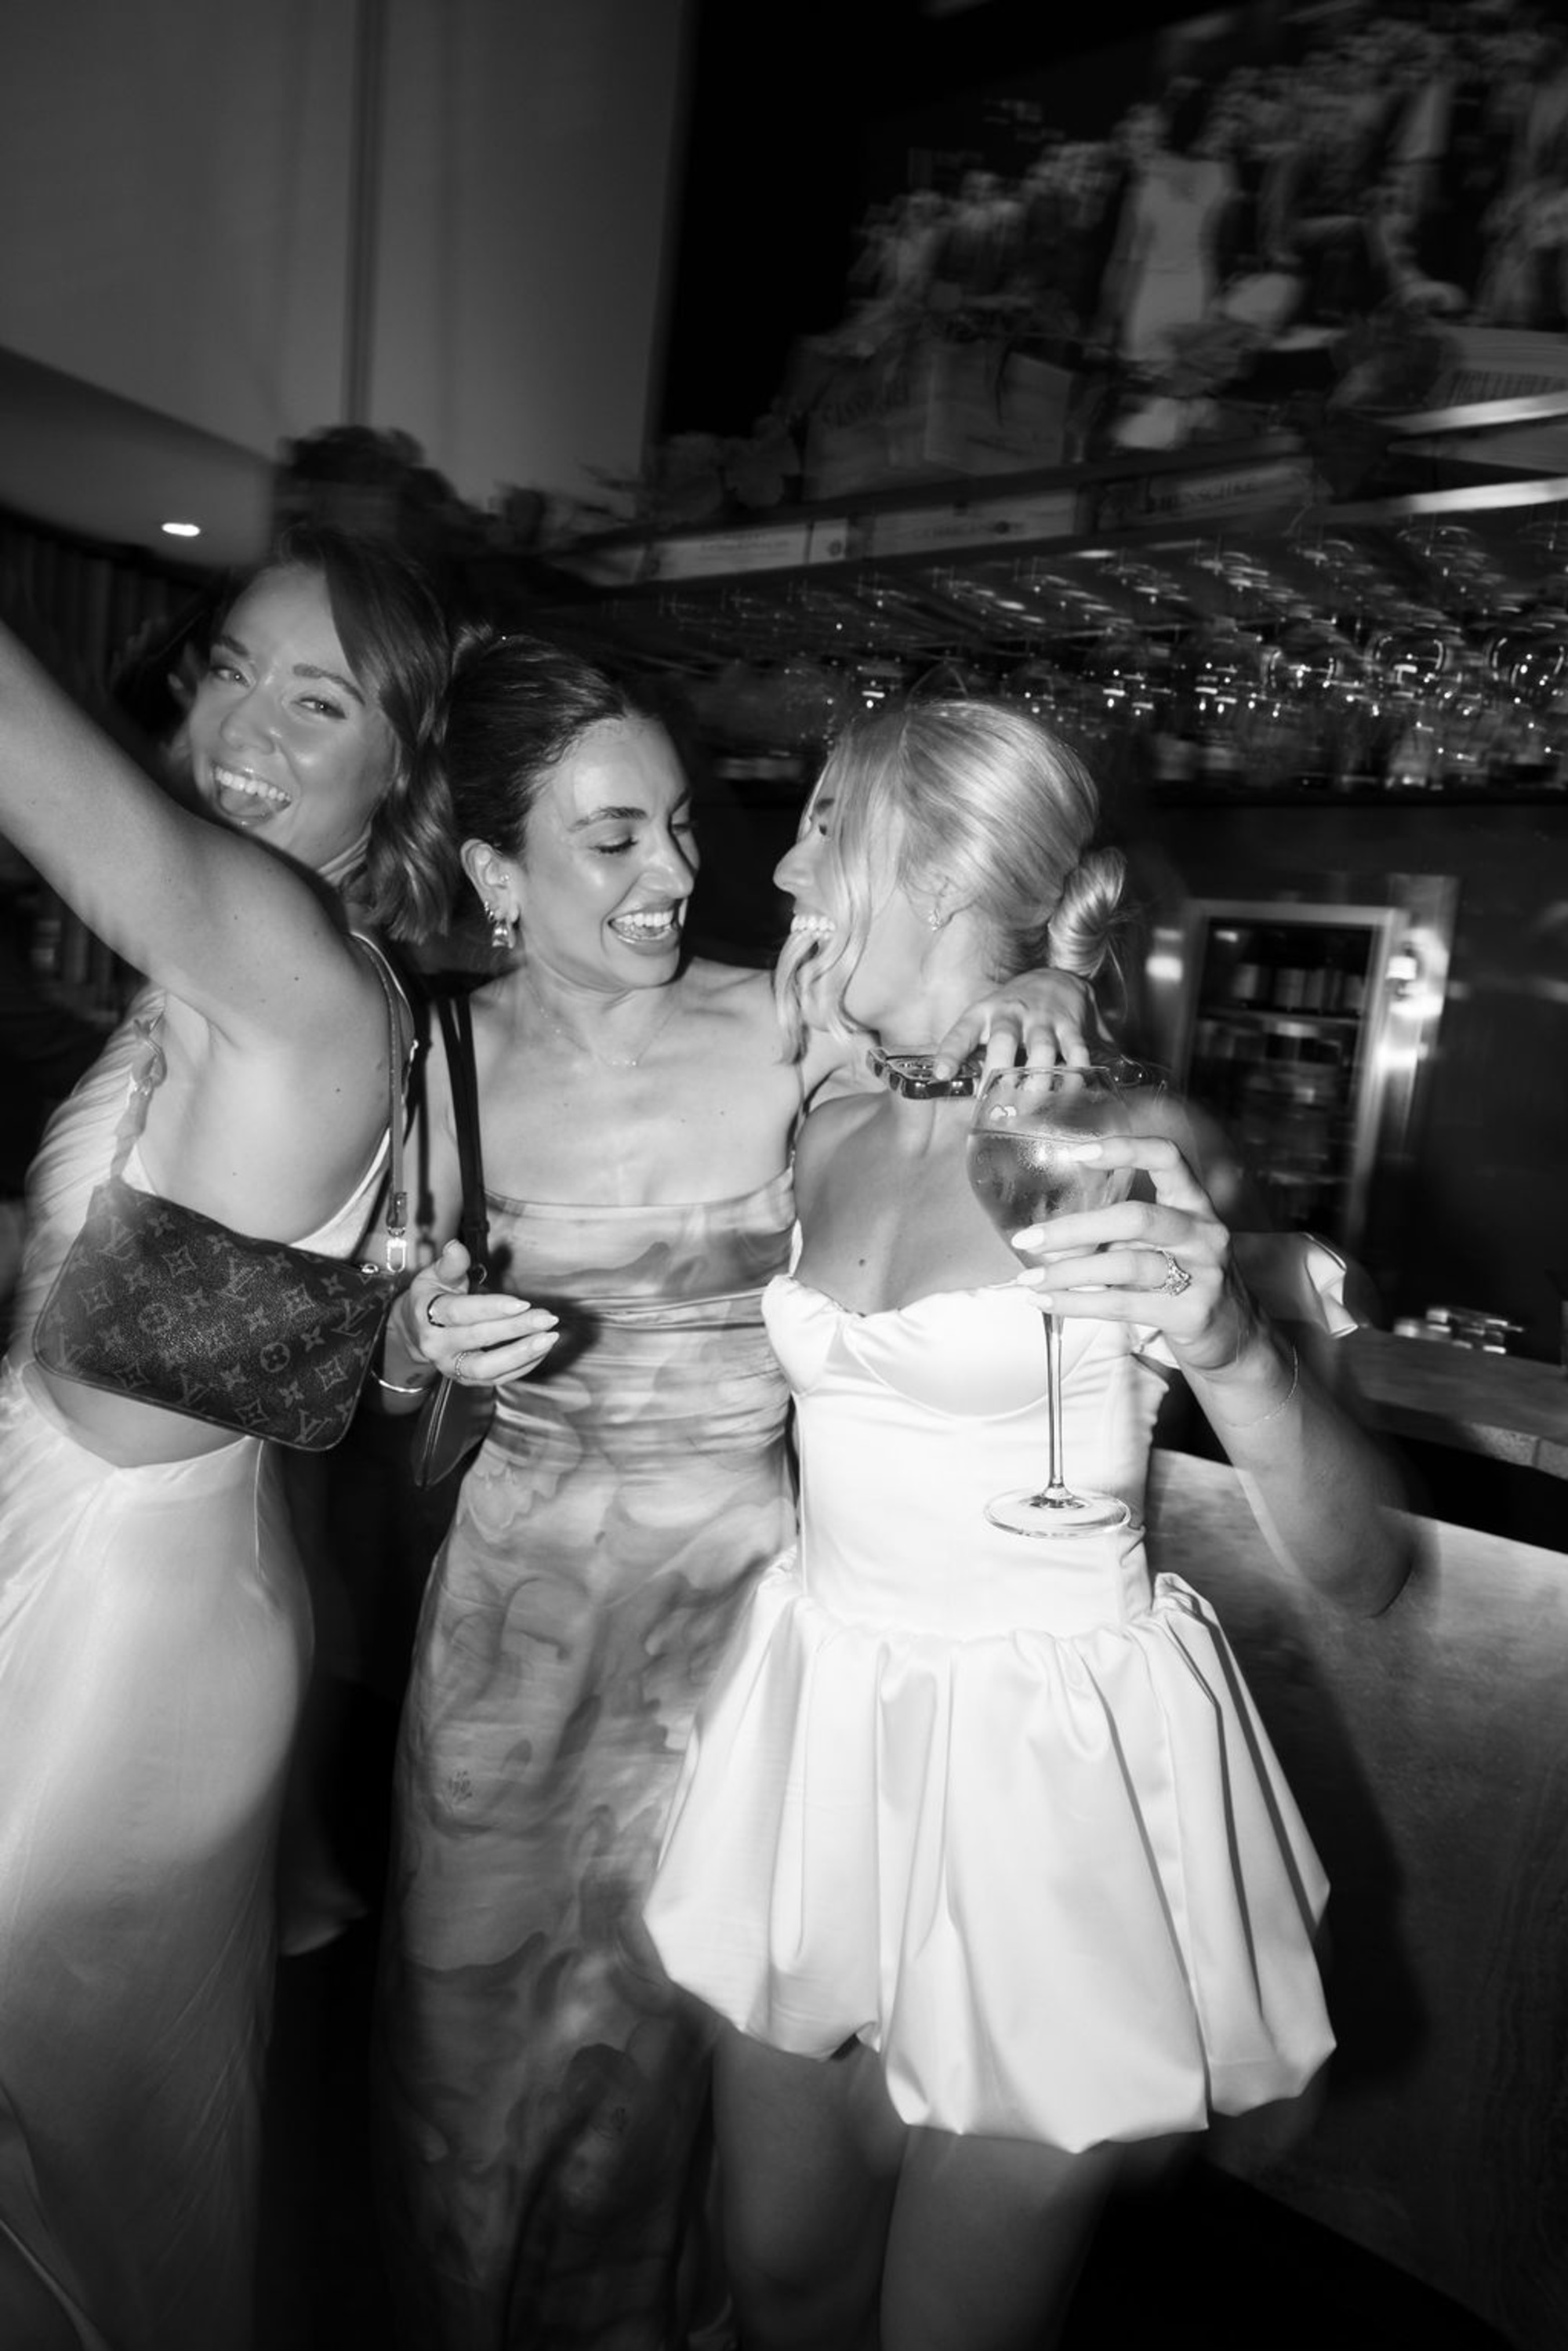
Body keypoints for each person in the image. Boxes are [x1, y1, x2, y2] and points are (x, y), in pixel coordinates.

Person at [642, 696, 1412, 2351]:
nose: (779, 863)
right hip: (827, 1719)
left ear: (938, 866)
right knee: (775, 2267)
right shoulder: (829, 1113)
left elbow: (1365, 1563)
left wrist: (1227, 1347)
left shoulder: (1135, 1139)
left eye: (824, 827)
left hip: (1045, 1767)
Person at [365, 630, 1096, 2350]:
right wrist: (418, 1348)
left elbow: (942, 1081)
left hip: (744, 1631)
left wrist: (1045, 987)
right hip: (511, 1637)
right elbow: (383, 1400)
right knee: (469, 2048)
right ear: (492, 870)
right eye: (611, 838)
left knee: (689, 2048)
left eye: (682, 823)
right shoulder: (429, 1065)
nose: (676, 872)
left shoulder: (790, 1022)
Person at [0, 523, 452, 2351]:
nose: (240, 726)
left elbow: (38, 776)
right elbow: (155, 1312)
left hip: (127, 1628)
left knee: (70, 2143)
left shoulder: (290, 965)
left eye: (317, 697)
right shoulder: (268, 970)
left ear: (398, 768)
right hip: (115, 1543)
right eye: (230, 669)